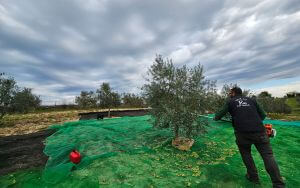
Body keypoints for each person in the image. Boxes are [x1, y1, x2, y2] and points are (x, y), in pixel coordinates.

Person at [214, 87, 285, 188]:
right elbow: (263, 115)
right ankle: (279, 184)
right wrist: (253, 121)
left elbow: (218, 116)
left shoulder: (230, 102)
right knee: (268, 156)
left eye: (230, 93)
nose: (229, 94)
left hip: (242, 133)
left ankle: (253, 177)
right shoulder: (252, 100)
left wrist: (215, 117)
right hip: (260, 131)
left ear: (233, 93)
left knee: (246, 154)